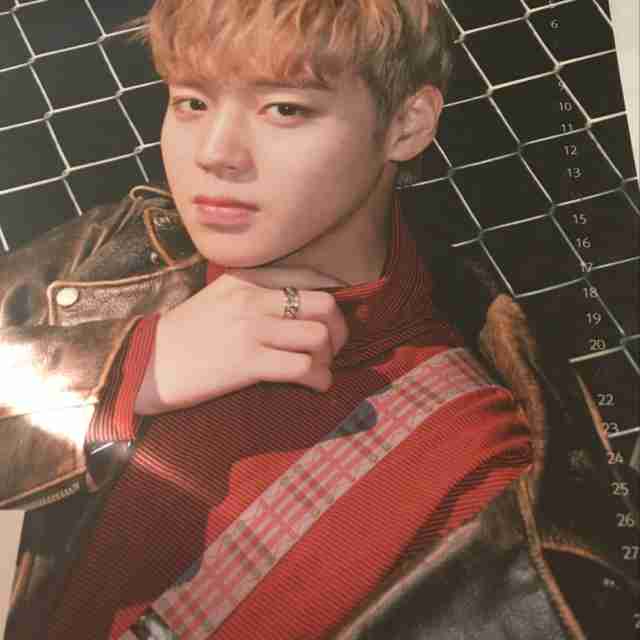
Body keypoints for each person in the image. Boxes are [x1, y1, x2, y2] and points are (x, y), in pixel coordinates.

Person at [0, 1, 637, 638]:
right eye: (192, 102)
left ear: (407, 124)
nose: (216, 154)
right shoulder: (111, 255)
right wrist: (130, 366)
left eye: (285, 109)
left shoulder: (474, 464)